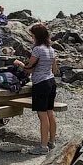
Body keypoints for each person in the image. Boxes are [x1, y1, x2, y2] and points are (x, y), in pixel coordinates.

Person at [13, 23, 59, 154]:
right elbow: (54, 69)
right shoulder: (50, 49)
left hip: (41, 83)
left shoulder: (37, 49)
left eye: (32, 35)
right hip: (51, 81)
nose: (31, 37)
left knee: (42, 115)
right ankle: (52, 142)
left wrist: (19, 63)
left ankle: (43, 146)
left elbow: (29, 68)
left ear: (36, 36)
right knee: (50, 112)